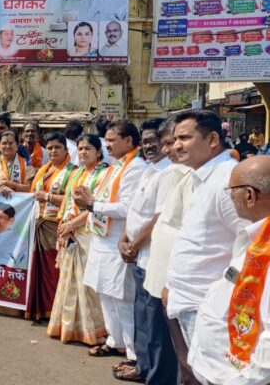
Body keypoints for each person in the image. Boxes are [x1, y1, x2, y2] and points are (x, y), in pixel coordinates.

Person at [165, 110, 247, 359]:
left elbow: (252, 244)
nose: (176, 146)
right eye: (175, 138)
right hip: (189, 300)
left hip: (210, 308)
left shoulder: (228, 180)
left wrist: (222, 294)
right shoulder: (202, 176)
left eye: (185, 138)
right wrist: (172, 284)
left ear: (212, 139)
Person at [188, 156, 270, 385]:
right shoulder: (255, 235)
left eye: (230, 190)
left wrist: (243, 382)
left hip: (235, 377)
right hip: (220, 367)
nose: (229, 197)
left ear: (249, 195)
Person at [73, 120, 147, 360]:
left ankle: (133, 353)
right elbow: (105, 198)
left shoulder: (135, 167)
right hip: (101, 237)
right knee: (105, 292)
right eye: (107, 140)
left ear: (129, 141)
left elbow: (128, 207)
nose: (108, 144)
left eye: (112, 140)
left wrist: (93, 205)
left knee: (122, 297)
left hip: (118, 240)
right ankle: (115, 341)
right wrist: (91, 199)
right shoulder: (115, 165)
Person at [114, 118, 177, 382]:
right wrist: (123, 239)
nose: (149, 145)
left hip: (153, 257)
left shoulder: (169, 173)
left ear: (166, 142)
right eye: (146, 140)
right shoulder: (149, 170)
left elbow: (159, 216)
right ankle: (142, 367)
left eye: (155, 140)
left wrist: (134, 244)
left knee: (155, 326)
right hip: (138, 255)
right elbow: (136, 212)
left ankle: (157, 376)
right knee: (141, 319)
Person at [142, 118, 200, 385]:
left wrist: (171, 282)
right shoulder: (176, 172)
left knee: (189, 358)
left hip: (181, 285)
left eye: (180, 140)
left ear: (211, 140)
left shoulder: (201, 177)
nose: (171, 149)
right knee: (173, 347)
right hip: (164, 279)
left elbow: (190, 236)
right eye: (170, 142)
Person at [48, 134, 108, 345]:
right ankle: (69, 326)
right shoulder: (77, 173)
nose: (83, 152)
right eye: (80, 148)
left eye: (88, 149)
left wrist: (73, 225)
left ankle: (95, 330)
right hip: (70, 232)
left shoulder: (105, 174)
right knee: (69, 281)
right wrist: (63, 228)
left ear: (98, 152)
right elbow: (66, 204)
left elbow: (97, 207)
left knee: (88, 285)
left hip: (89, 234)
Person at [26, 132, 77, 321]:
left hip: (57, 226)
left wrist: (48, 197)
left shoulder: (74, 171)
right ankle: (40, 308)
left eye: (57, 147)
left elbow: (74, 199)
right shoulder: (43, 169)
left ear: (65, 150)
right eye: (50, 148)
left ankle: (57, 312)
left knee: (55, 268)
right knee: (38, 267)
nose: (53, 151)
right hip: (38, 224)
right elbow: (33, 193)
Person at [0, 131, 36, 195]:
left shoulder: (27, 164)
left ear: (17, 146)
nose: (7, 146)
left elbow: (31, 188)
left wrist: (11, 185)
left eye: (11, 143)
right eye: (4, 143)